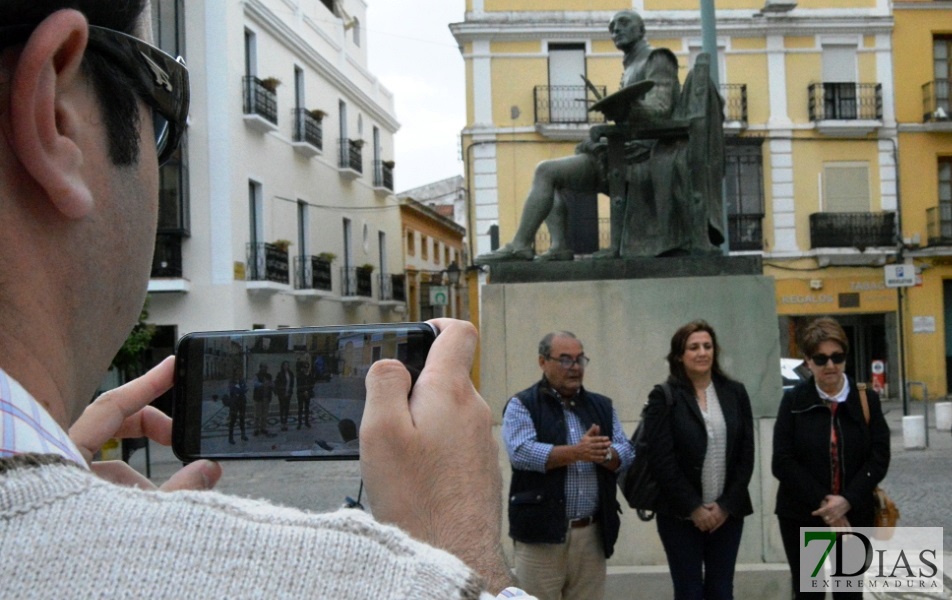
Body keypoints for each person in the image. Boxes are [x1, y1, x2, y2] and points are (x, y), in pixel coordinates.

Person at [0, 3, 530, 596]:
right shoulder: (352, 582)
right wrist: (454, 550)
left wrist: (63, 497)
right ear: (56, 116)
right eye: (166, 106)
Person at [475, 10, 680, 263]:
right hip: (620, 151)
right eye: (612, 27)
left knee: (546, 172)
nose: (616, 30)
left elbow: (661, 111)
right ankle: (558, 247)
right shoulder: (631, 66)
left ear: (642, 30)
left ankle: (521, 246)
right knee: (551, 176)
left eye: (624, 23)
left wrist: (625, 109)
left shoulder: (657, 59)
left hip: (640, 156)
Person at [501, 331, 635, 600]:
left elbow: (627, 450)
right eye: (564, 360)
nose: (574, 368)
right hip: (541, 534)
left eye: (579, 360)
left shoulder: (602, 406)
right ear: (542, 362)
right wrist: (578, 452)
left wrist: (604, 455)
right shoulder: (522, 404)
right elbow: (521, 452)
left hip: (591, 535)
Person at [772, 317, 890, 599]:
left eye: (837, 357)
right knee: (809, 592)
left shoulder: (866, 399)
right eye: (821, 358)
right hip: (805, 514)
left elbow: (879, 455)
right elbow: (782, 461)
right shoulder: (794, 401)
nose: (830, 365)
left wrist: (847, 500)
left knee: (848, 592)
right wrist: (826, 504)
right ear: (807, 361)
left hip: (855, 513)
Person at [643, 320, 754, 600]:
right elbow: (661, 460)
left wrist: (725, 506)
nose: (702, 352)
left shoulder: (735, 392)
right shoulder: (664, 396)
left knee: (721, 590)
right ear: (680, 355)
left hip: (727, 515)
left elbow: (746, 455)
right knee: (689, 592)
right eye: (693, 347)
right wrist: (694, 508)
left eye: (707, 346)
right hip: (680, 515)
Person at [252, 362, 275, 437]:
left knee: (264, 415)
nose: (265, 369)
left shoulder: (269, 376)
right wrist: (263, 384)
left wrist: (271, 384)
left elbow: (272, 384)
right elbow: (255, 384)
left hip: (266, 398)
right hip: (258, 398)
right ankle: (256, 429)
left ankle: (263, 428)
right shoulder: (257, 375)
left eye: (266, 367)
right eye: (263, 367)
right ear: (260, 368)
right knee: (257, 414)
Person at [227, 368, 249, 444]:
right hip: (234, 403)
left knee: (242, 419)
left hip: (242, 402)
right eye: (237, 373)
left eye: (239, 373)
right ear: (234, 373)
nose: (238, 374)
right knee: (233, 420)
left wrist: (240, 390)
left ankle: (243, 435)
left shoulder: (242, 380)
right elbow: (233, 390)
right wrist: (241, 390)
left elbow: (246, 389)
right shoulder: (231, 381)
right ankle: (230, 437)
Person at [275, 360, 295, 431]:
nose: (286, 366)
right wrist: (279, 392)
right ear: (282, 366)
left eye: (287, 365)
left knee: (287, 408)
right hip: (282, 394)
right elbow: (277, 383)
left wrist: (290, 391)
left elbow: (292, 383)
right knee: (282, 408)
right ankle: (282, 423)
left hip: (288, 393)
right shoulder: (280, 374)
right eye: (285, 365)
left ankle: (285, 422)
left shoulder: (290, 373)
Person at [295, 352, 314, 429]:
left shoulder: (310, 375)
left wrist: (308, 391)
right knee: (300, 408)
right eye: (305, 368)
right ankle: (299, 423)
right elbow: (299, 384)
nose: (306, 369)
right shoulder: (300, 375)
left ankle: (306, 421)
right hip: (301, 394)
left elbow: (312, 383)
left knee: (307, 408)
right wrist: (304, 391)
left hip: (308, 394)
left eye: (307, 367)